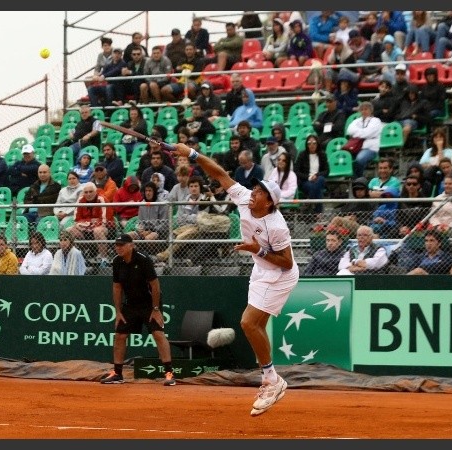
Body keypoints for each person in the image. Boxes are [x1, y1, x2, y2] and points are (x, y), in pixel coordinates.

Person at [171, 142, 299, 416]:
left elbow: (287, 262)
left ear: (270, 202)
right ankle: (270, 379)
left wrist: (258, 249)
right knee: (256, 326)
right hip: (261, 269)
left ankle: (271, 379)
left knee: (247, 323)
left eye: (260, 191)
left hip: (280, 275)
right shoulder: (243, 197)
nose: (254, 192)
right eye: (255, 188)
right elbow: (219, 174)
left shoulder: (277, 226)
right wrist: (191, 154)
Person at [100, 234, 176, 387]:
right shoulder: (116, 261)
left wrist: (156, 309)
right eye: (117, 245)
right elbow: (117, 287)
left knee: (158, 334)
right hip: (130, 304)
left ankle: (169, 373)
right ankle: (118, 373)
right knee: (120, 335)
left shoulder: (143, 260)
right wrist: (118, 311)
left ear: (131, 245)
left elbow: (155, 285)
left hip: (150, 305)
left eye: (122, 245)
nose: (118, 247)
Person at [66, 182, 114, 262]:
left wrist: (85, 223)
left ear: (95, 191)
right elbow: (77, 220)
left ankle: (103, 259)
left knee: (97, 231)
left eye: (91, 191)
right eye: (86, 192)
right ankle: (74, 257)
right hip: (86, 230)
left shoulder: (101, 199)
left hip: (106, 229)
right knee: (69, 231)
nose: (88, 194)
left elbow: (104, 220)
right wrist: (90, 221)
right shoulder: (80, 200)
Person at [346, 101, 383, 179]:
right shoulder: (356, 121)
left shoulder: (376, 121)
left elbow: (368, 133)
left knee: (360, 159)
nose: (364, 111)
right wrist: (363, 133)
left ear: (371, 110)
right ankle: (351, 178)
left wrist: (357, 133)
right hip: (356, 147)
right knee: (345, 157)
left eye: (366, 109)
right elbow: (349, 131)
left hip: (370, 148)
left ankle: (358, 179)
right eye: (362, 109)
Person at [294, 134, 330, 215]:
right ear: (306, 145)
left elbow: (327, 171)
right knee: (318, 190)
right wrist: (309, 177)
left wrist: (316, 175)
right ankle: (318, 214)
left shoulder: (322, 154)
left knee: (320, 179)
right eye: (309, 143)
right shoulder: (302, 155)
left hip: (318, 179)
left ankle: (308, 203)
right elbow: (296, 171)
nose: (312, 145)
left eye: (314, 143)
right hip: (306, 181)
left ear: (317, 144)